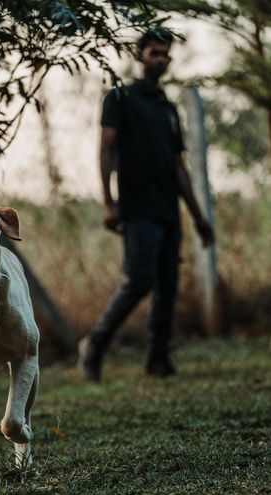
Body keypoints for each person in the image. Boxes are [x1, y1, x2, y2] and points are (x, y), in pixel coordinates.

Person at [79, 27, 215, 381]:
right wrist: (109, 202)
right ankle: (94, 345)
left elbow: (178, 166)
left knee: (168, 285)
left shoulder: (167, 108)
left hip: (168, 210)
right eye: (155, 52)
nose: (162, 59)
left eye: (166, 53)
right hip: (136, 209)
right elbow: (106, 148)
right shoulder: (120, 98)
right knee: (139, 279)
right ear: (140, 55)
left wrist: (198, 217)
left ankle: (158, 359)